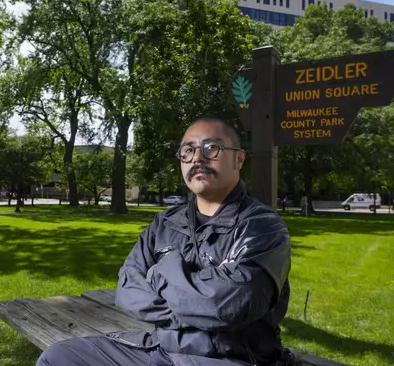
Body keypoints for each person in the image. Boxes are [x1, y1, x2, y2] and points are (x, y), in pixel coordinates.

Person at [37, 118, 292, 366]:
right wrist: (193, 309)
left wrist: (164, 271)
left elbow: (226, 305)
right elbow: (128, 290)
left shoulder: (262, 227)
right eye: (188, 150)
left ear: (239, 158)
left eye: (211, 148)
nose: (197, 158)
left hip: (229, 357)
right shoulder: (164, 224)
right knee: (58, 357)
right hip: (161, 349)